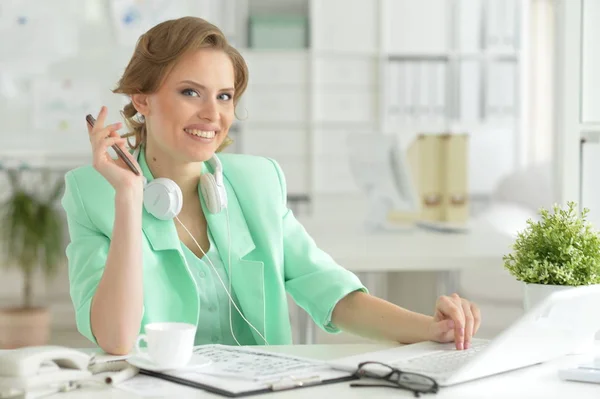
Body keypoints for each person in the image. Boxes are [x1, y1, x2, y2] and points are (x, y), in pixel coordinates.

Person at [61, 16, 481, 356]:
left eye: (225, 96)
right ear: (142, 99)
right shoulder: (93, 193)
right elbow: (115, 339)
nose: (212, 114)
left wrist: (430, 329)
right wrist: (130, 199)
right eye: (191, 92)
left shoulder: (257, 181)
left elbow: (331, 292)